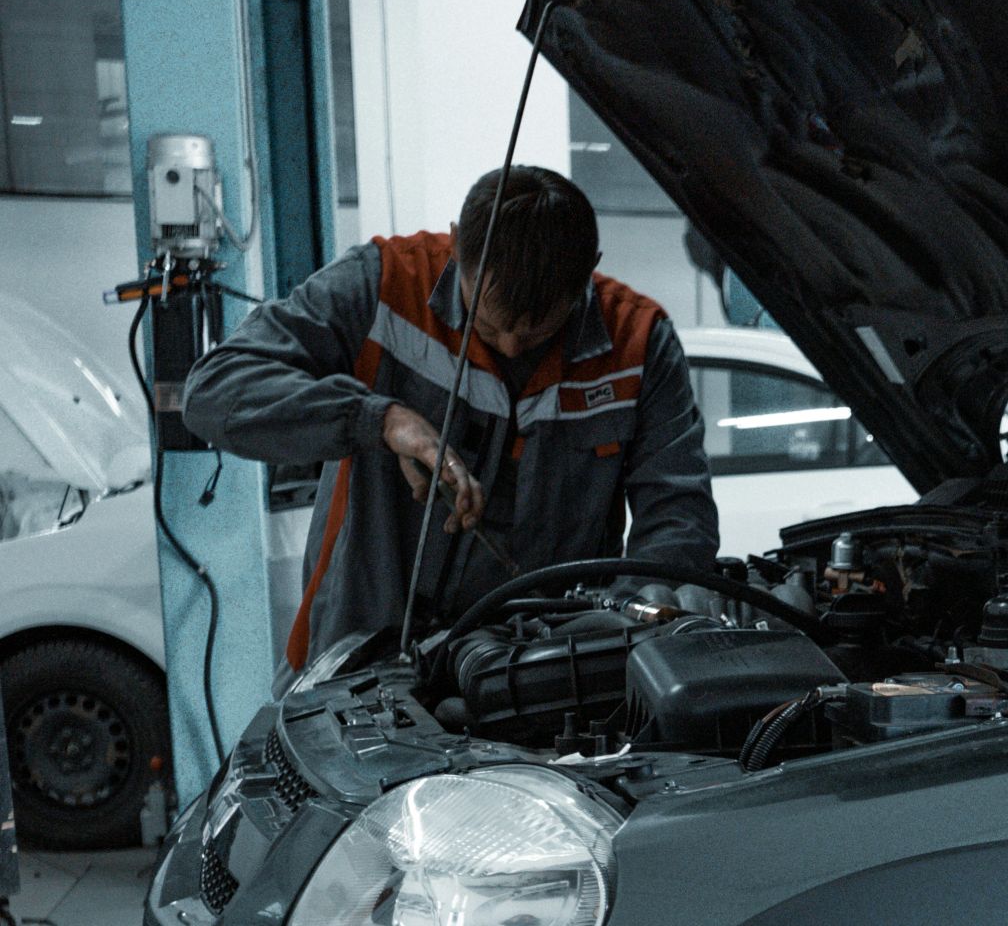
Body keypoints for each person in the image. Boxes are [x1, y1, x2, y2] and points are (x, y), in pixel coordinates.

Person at [182, 166, 719, 676]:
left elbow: (676, 514)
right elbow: (215, 390)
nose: (510, 345)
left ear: (590, 267)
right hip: (353, 666)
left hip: (545, 678)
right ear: (459, 243)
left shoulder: (638, 343)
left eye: (536, 332)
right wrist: (380, 419)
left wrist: (642, 611)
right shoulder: (385, 285)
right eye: (491, 323)